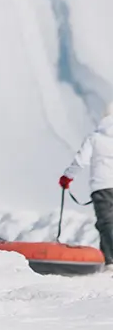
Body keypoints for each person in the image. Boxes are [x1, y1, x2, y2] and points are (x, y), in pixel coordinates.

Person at [59, 102, 113, 264]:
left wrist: (67, 177)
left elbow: (80, 161)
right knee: (107, 223)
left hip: (102, 186)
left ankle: (110, 259)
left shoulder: (95, 138)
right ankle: (107, 259)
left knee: (106, 222)